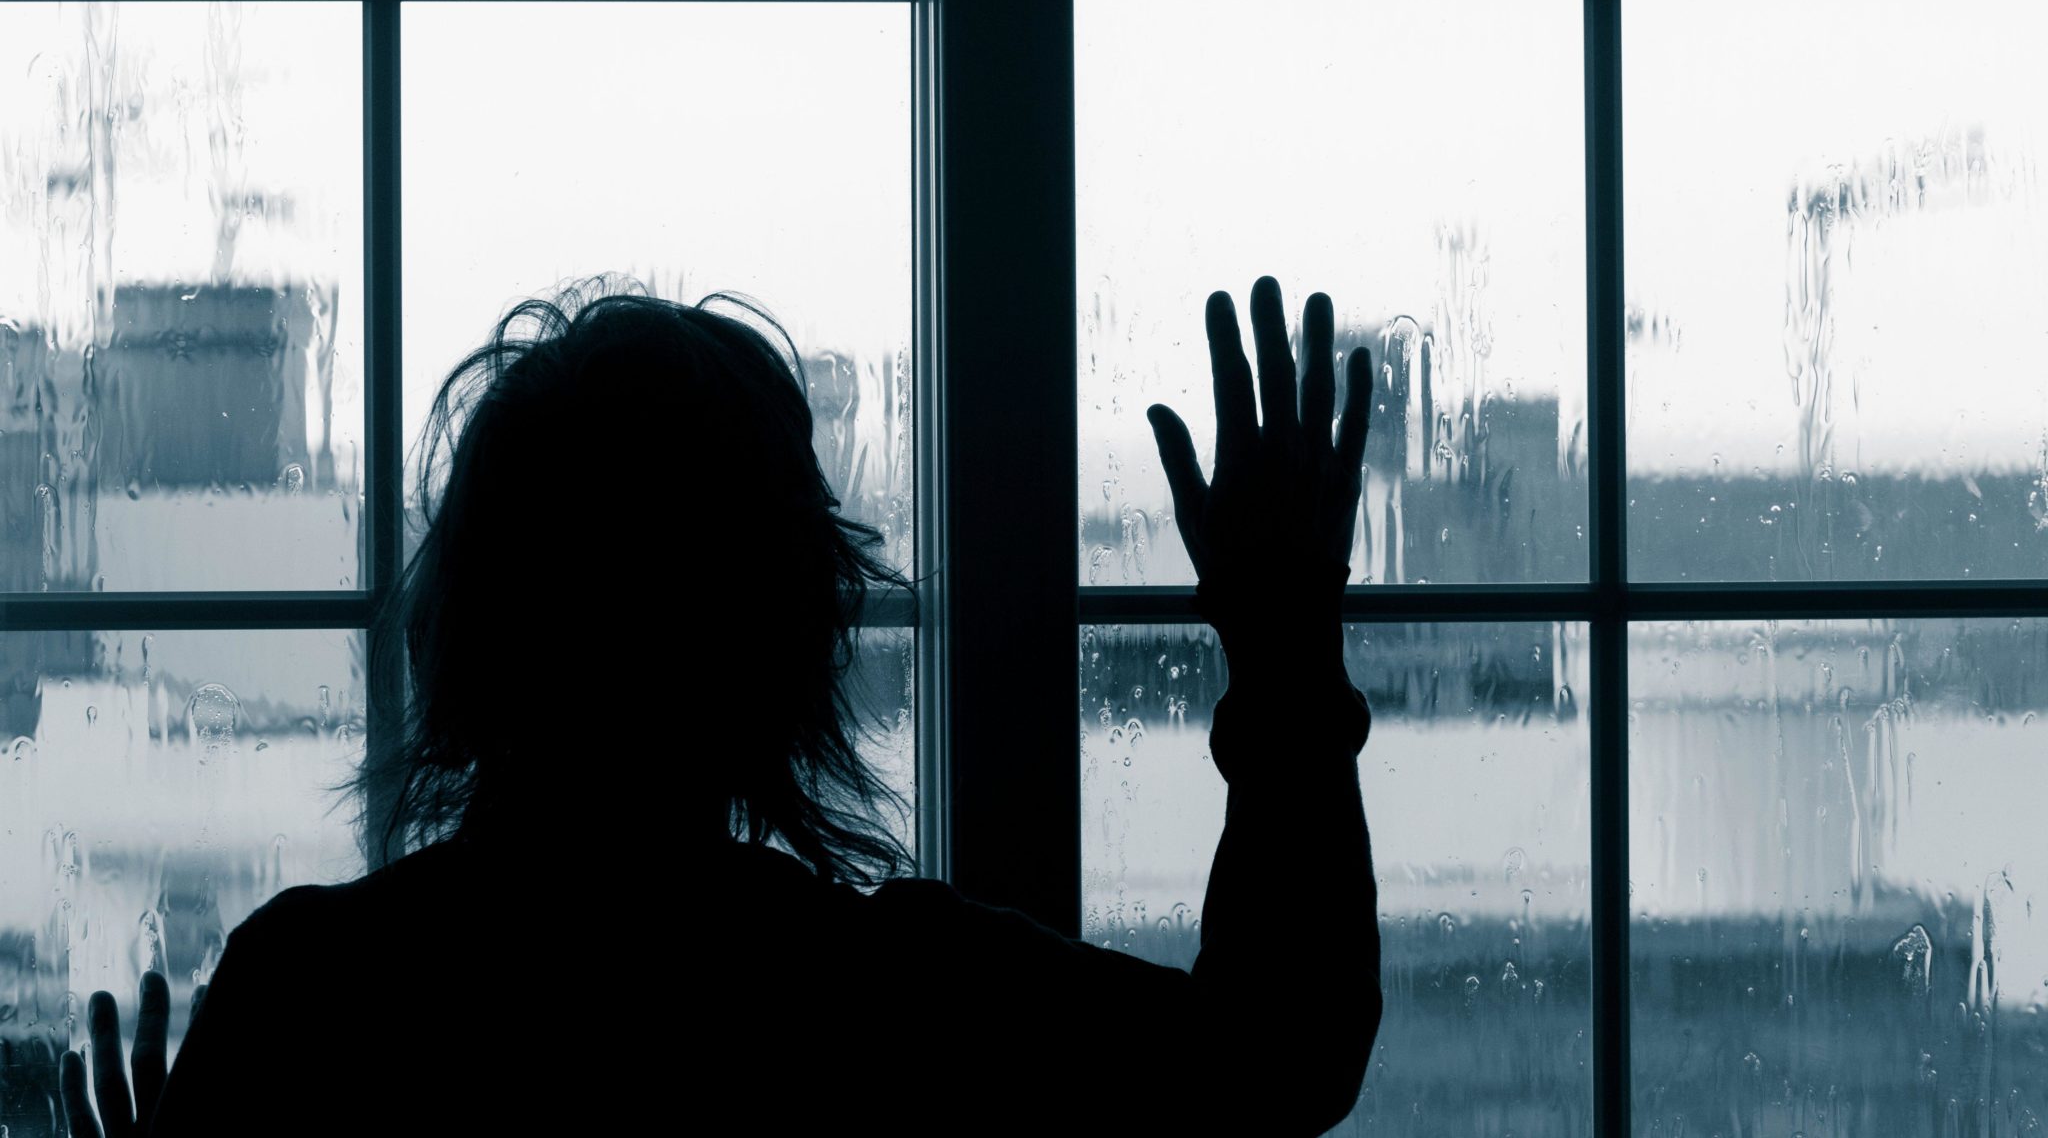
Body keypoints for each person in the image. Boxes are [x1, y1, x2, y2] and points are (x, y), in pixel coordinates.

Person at [64, 274, 1381, 1136]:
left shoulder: (311, 998)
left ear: (468, 619)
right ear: (784, 638)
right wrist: (1282, 652)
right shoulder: (890, 1003)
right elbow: (1278, 1057)